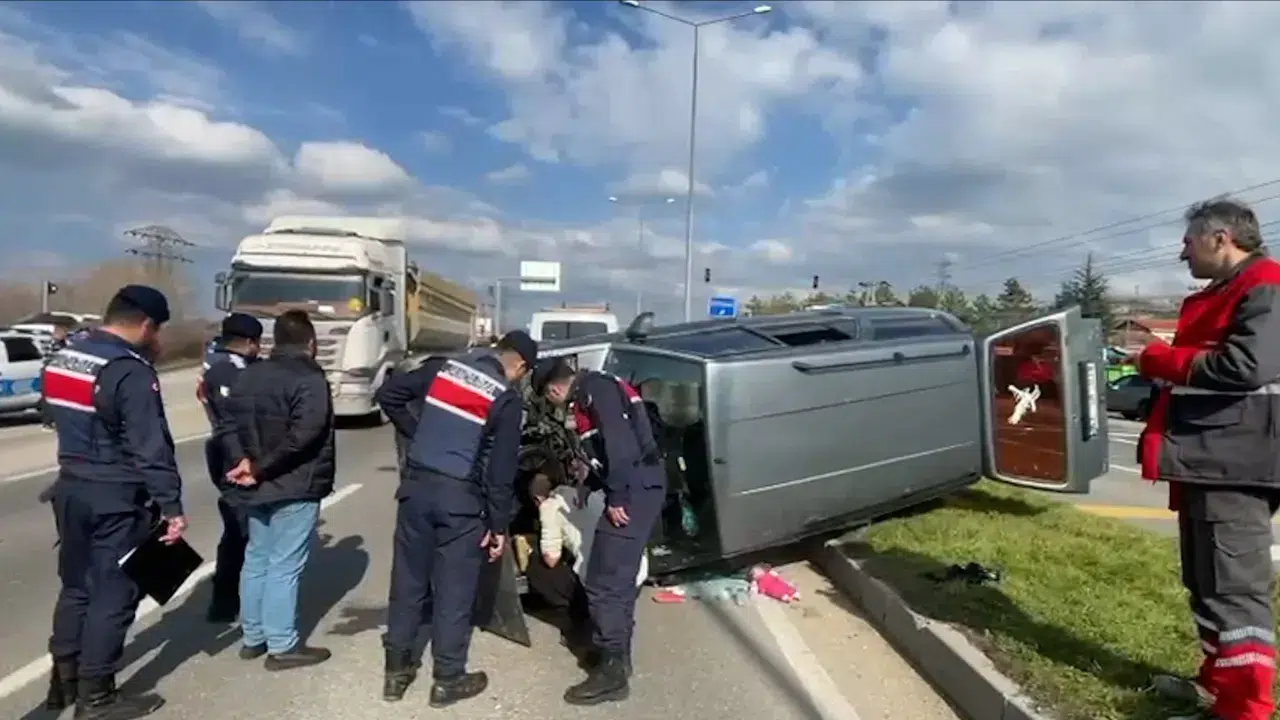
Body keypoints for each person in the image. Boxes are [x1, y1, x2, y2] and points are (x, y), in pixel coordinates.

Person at [1137, 197, 1280, 720]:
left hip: (1236, 461)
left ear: (1221, 238)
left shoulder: (1266, 283)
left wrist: (1161, 359)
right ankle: (1217, 687)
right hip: (1208, 456)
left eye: (1189, 240)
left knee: (1234, 591)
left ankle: (1245, 710)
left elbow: (1247, 366)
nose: (1182, 251)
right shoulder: (1229, 289)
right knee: (1205, 582)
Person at [40, 285, 186, 719]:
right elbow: (149, 446)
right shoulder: (130, 370)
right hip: (116, 494)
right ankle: (97, 696)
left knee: (76, 586)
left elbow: (50, 413)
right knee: (114, 592)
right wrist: (172, 507)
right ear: (145, 325)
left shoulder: (68, 355)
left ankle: (63, 680)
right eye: (157, 330)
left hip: (71, 485)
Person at [376, 330, 536, 706]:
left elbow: (389, 395)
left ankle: (395, 673)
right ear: (520, 366)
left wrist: (419, 437)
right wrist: (498, 526)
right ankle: (448, 678)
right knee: (454, 590)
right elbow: (500, 471)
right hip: (460, 502)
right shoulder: (505, 398)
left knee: (408, 582)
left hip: (415, 491)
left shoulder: (445, 369)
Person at [533, 356, 666, 706]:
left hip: (634, 490)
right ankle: (616, 658)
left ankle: (612, 671)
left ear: (555, 387)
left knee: (605, 582)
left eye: (550, 399)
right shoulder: (596, 388)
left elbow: (620, 443)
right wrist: (590, 484)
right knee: (614, 580)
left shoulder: (595, 390)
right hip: (637, 486)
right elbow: (604, 451)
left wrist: (618, 495)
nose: (556, 406)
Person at [220, 309, 334, 671]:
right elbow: (305, 436)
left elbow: (228, 426)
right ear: (311, 343)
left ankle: (253, 637)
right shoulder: (309, 378)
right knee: (284, 564)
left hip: (257, 483)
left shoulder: (250, 375)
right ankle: (282, 645)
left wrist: (243, 462)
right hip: (294, 482)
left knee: (256, 559)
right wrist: (259, 467)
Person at [198, 313, 262, 623]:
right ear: (250, 343)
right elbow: (230, 421)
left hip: (225, 454)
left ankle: (229, 598)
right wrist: (242, 460)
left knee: (238, 530)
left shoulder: (214, 363)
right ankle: (225, 600)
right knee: (239, 532)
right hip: (233, 458)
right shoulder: (230, 371)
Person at [525, 473, 593, 650]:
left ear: (537, 498)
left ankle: (575, 615)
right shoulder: (579, 493)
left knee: (537, 568)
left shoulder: (549, 507)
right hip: (634, 569)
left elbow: (551, 560)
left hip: (595, 577)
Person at [39, 321, 74, 430]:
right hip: (50, 370)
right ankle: (47, 422)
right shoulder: (50, 343)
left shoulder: (66, 343)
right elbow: (50, 357)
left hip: (62, 371)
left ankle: (60, 420)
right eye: (62, 331)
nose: (64, 334)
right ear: (56, 331)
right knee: (48, 397)